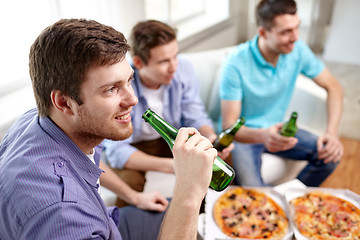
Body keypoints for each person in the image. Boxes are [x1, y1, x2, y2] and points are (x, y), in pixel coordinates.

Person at [0, 18, 216, 240]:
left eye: (129, 81)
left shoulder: (43, 121)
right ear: (64, 103)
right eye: (111, 89)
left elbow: (90, 163)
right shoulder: (62, 217)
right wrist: (188, 193)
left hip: (106, 219)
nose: (133, 99)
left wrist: (134, 197)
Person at [102, 20, 233, 207]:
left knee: (220, 158)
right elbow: (117, 151)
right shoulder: (122, 88)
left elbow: (194, 115)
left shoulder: (183, 69)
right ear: (138, 62)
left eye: (175, 56)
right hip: (135, 145)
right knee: (130, 181)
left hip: (171, 139)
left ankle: (206, 214)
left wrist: (211, 138)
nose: (173, 67)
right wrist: (173, 166)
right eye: (164, 61)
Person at [219, 0, 344, 187]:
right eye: (285, 32)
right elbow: (229, 126)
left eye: (297, 28)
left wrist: (332, 133)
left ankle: (290, 200)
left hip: (279, 130)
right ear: (263, 32)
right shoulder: (235, 63)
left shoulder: (297, 50)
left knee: (330, 156)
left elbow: (334, 87)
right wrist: (263, 135)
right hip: (247, 137)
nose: (295, 37)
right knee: (255, 194)